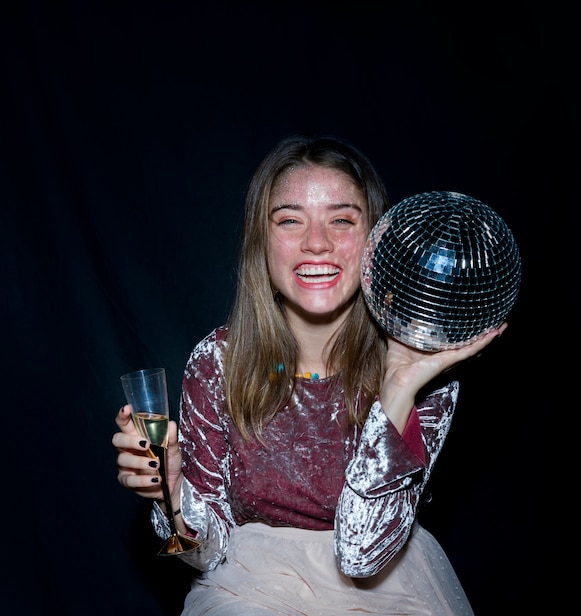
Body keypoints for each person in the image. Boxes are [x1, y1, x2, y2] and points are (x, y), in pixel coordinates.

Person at [113, 134, 507, 615]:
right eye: (289, 220)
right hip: (248, 590)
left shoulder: (428, 377)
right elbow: (202, 554)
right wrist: (170, 494)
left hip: (387, 592)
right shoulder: (217, 362)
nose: (316, 243)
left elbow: (363, 558)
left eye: (341, 220)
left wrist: (399, 386)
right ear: (261, 241)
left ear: (376, 240)